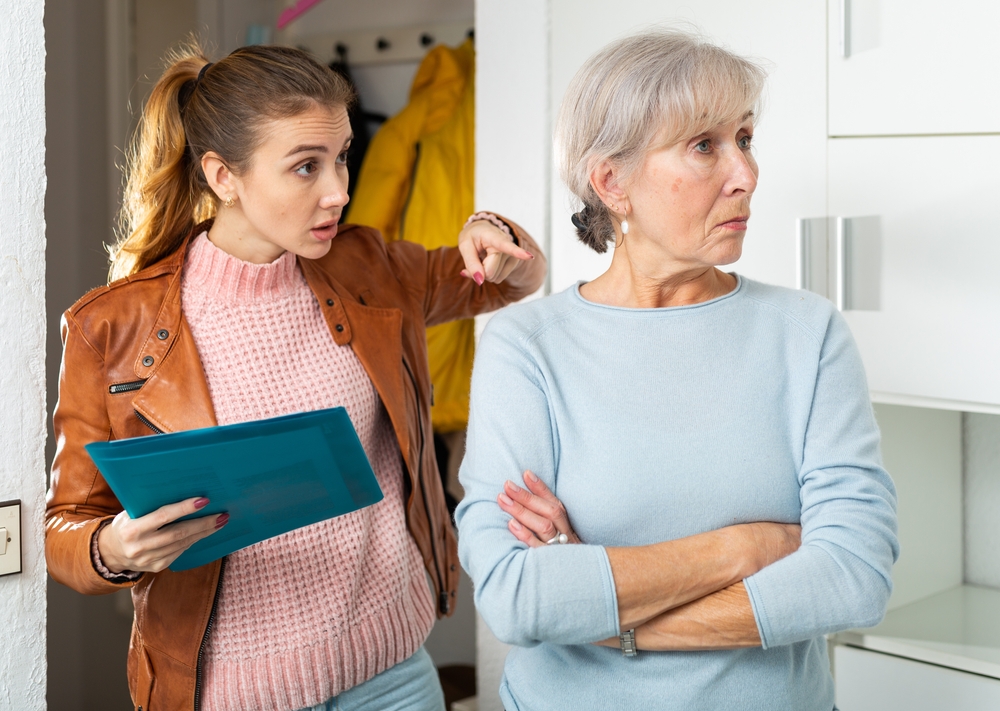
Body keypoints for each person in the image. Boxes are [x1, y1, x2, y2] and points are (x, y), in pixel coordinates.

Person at [44, 43, 546, 711]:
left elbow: (506, 284)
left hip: (392, 671)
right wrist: (115, 545)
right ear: (223, 175)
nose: (338, 190)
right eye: (306, 166)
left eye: (341, 158)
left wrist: (494, 231)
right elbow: (66, 528)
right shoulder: (111, 328)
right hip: (229, 695)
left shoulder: (369, 265)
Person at [455, 30, 898, 711]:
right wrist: (746, 545)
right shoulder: (527, 345)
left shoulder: (807, 334)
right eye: (704, 145)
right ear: (612, 182)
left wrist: (609, 617)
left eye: (745, 138)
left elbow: (853, 577)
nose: (745, 173)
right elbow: (519, 598)